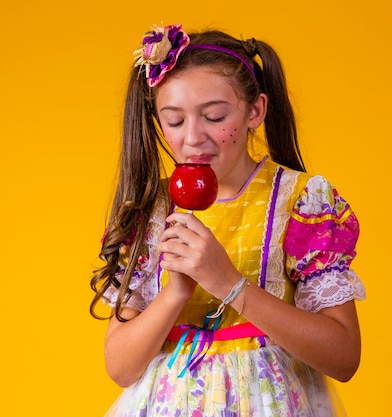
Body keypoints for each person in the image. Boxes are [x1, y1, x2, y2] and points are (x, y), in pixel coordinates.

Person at [89, 23, 366, 417]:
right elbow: (119, 367)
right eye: (174, 120)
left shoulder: (301, 202)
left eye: (214, 116)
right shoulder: (150, 212)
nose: (193, 137)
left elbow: (343, 358)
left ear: (255, 111)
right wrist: (176, 292)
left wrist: (229, 284)